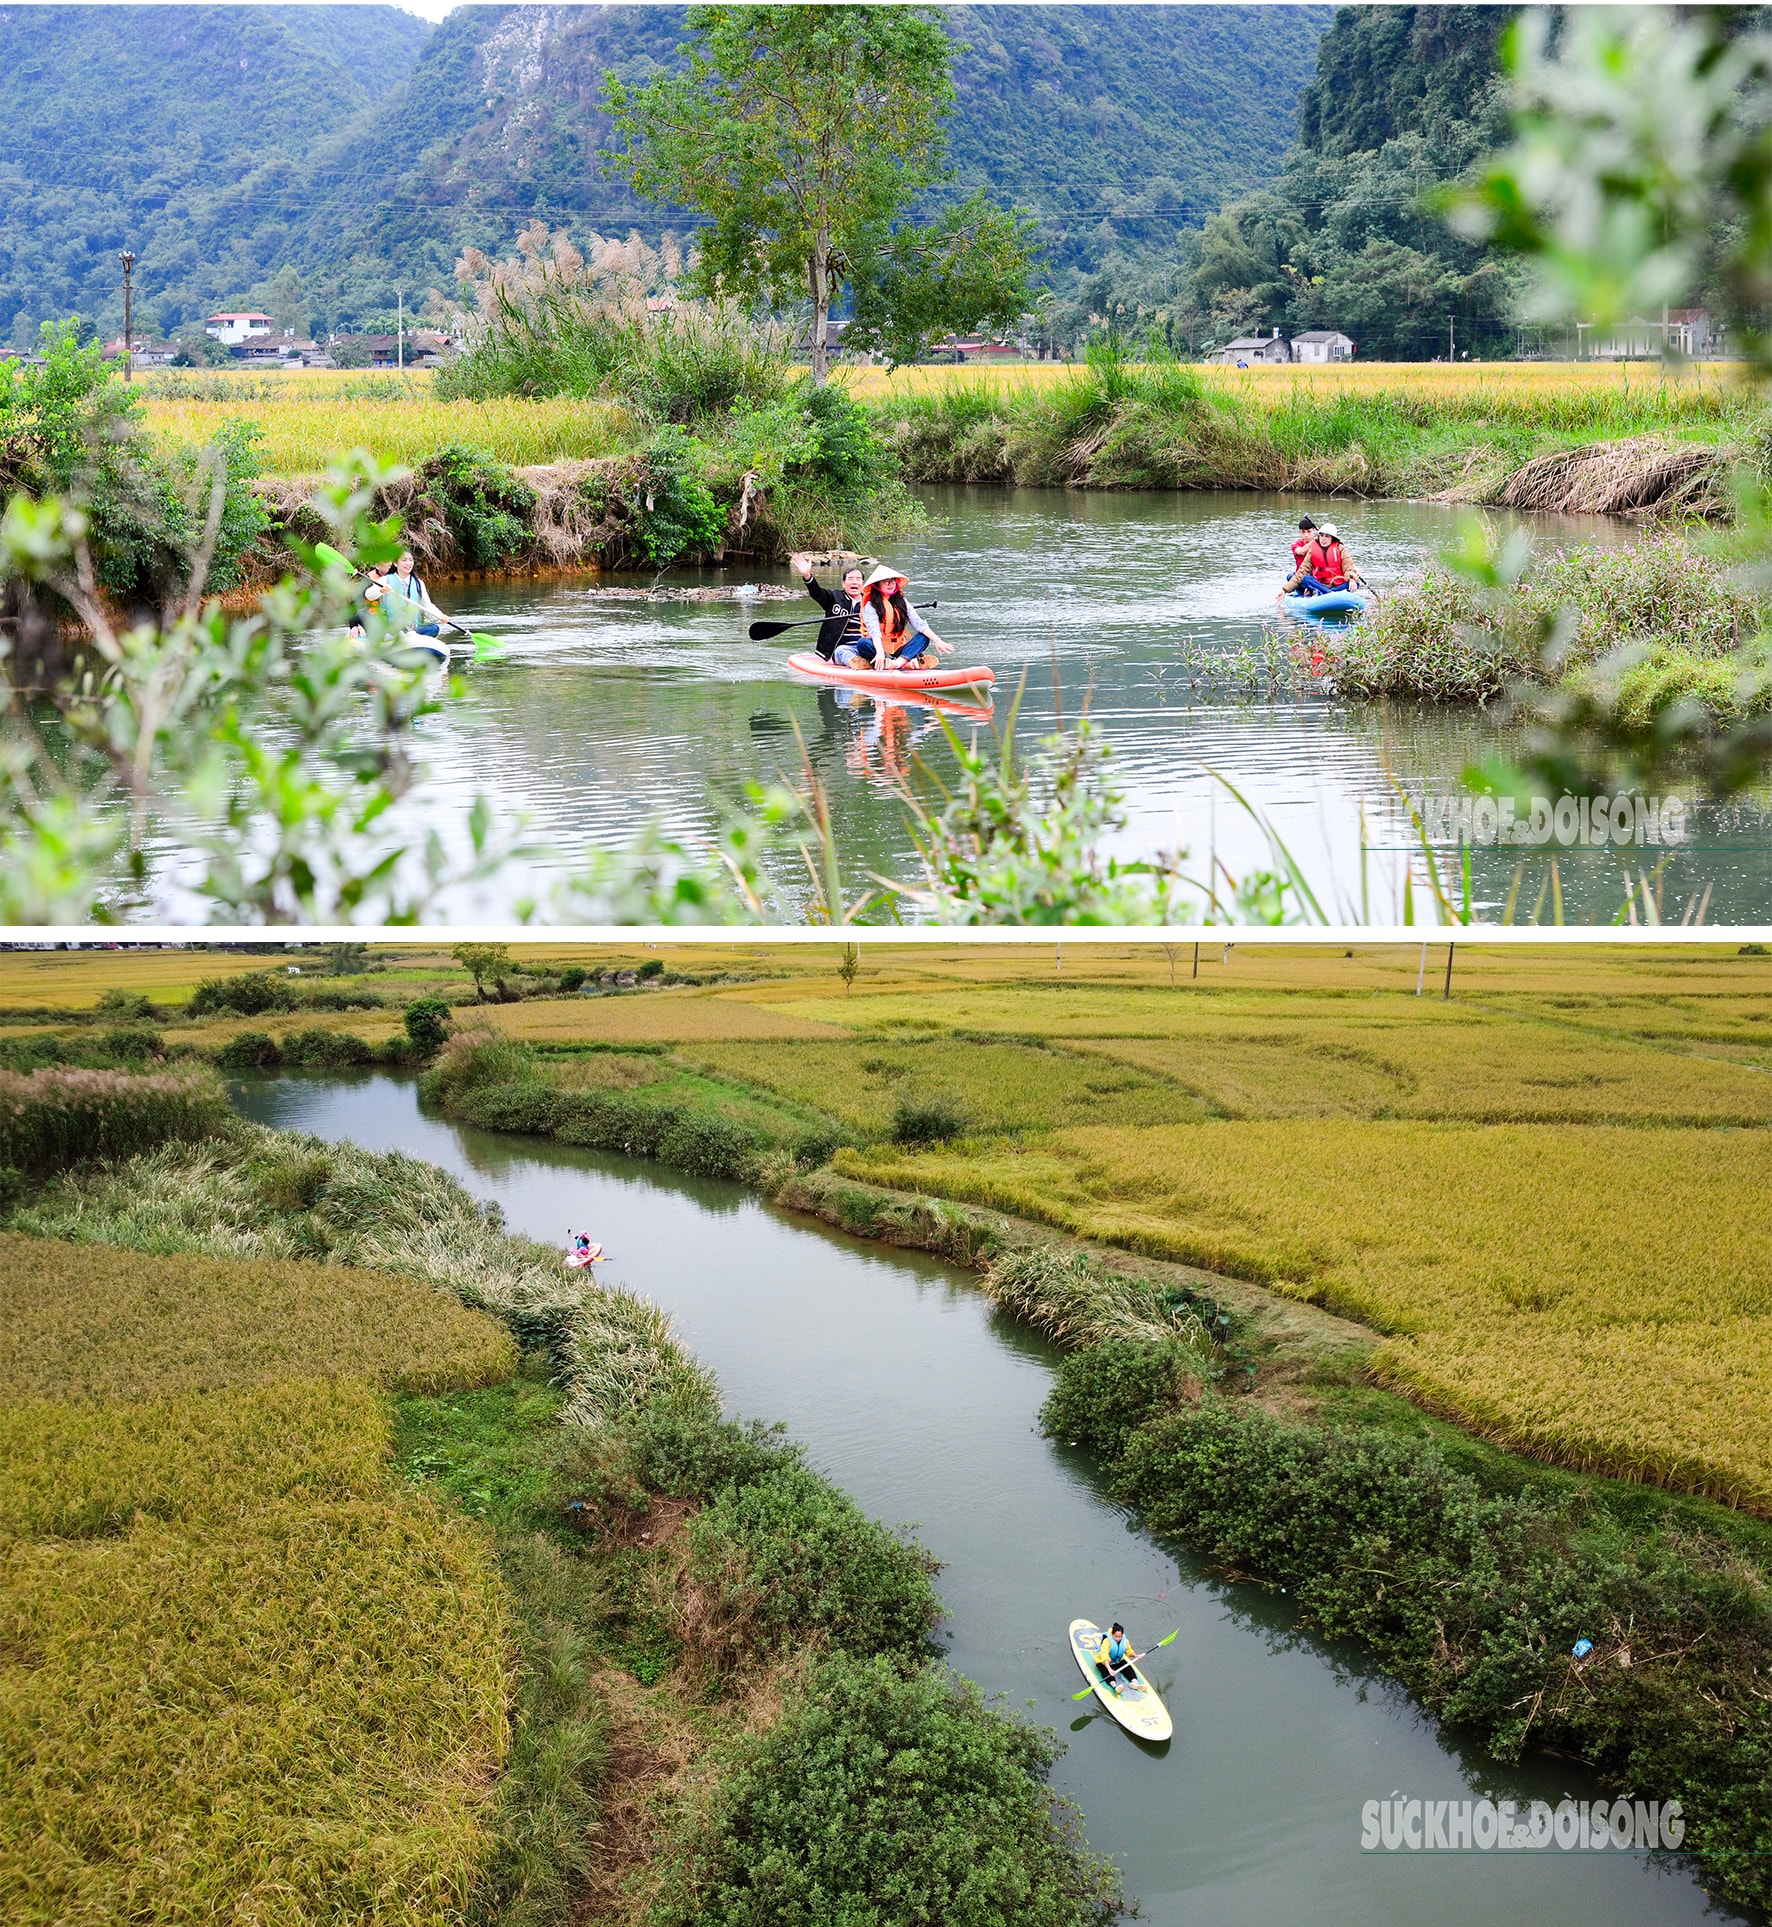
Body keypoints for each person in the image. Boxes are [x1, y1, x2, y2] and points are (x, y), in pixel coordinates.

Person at [859, 566, 953, 670]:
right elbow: (874, 631)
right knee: (863, 644)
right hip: (879, 648)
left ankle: (898, 663)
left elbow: (919, 623)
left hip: (900, 649)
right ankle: (900, 662)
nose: (891, 584)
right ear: (877, 584)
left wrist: (937, 640)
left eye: (893, 581)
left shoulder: (901, 601)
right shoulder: (870, 605)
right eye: (886, 581)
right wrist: (880, 652)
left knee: (923, 638)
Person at [792, 551, 875, 665]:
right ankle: (858, 664)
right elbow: (817, 593)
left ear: (863, 583)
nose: (854, 582)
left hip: (865, 647)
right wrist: (807, 575)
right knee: (841, 651)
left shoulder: (871, 603)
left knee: (869, 645)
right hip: (844, 649)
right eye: (850, 579)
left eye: (857, 579)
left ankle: (875, 661)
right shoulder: (834, 597)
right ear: (843, 584)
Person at [1283, 522, 1364, 599]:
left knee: (1356, 583)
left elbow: (1348, 566)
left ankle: (1325, 593)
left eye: (1327, 536)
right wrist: (1284, 590)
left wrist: (1352, 579)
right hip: (1320, 584)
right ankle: (1329, 594)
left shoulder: (1340, 549)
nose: (1323, 539)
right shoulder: (1312, 550)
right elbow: (1302, 572)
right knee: (1306, 578)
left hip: (1337, 584)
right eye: (1321, 535)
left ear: (1332, 538)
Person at [380, 549, 449, 638]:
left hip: (413, 629)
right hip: (391, 629)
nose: (408, 563)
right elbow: (369, 595)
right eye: (404, 560)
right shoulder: (385, 580)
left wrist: (440, 615)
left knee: (434, 628)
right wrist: (380, 590)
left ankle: (410, 635)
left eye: (410, 560)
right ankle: (400, 636)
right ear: (396, 563)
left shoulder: (418, 583)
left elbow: (427, 605)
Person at [1097, 1622, 1140, 1688]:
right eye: (1115, 1636)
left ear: (1122, 1635)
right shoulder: (1107, 1641)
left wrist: (1135, 1655)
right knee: (1105, 1671)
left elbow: (1129, 1651)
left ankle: (1134, 1681)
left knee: (1127, 1667)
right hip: (1104, 1661)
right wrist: (1110, 1669)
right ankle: (1114, 1684)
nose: (1117, 1639)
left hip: (1117, 1660)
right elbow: (1104, 1656)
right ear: (1112, 1634)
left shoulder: (1125, 1641)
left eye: (1120, 1637)